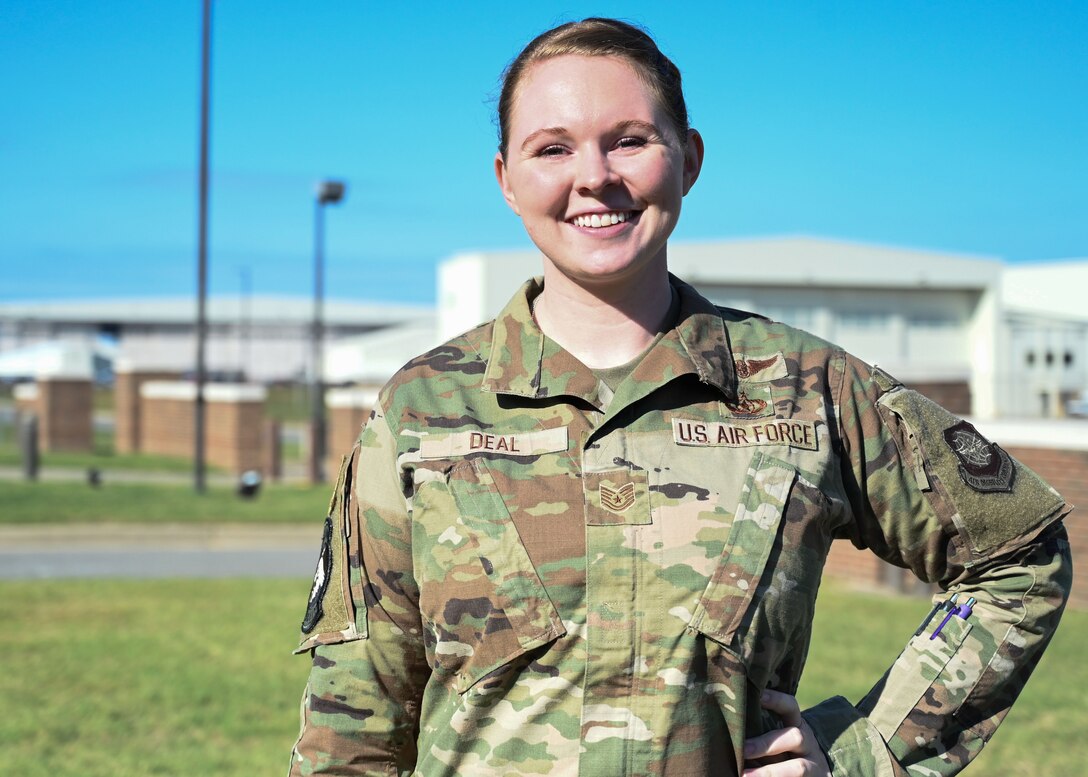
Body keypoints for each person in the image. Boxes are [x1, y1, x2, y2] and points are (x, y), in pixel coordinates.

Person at [288, 18, 1072, 777]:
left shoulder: (808, 389)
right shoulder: (424, 410)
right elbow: (353, 720)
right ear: (507, 180)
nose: (593, 175)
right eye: (551, 148)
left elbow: (1019, 552)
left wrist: (870, 752)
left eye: (629, 140)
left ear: (689, 159)